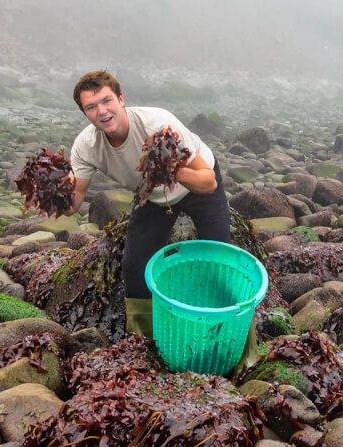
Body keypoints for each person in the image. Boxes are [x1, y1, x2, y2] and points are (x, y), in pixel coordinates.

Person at [64, 70, 257, 370]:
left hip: (196, 187)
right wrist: (52, 193)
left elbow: (209, 182)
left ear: (121, 99)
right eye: (92, 107)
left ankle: (241, 351)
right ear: (85, 112)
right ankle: (144, 346)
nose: (102, 111)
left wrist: (172, 171)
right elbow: (74, 204)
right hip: (153, 197)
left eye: (107, 101)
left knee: (223, 262)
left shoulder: (158, 124)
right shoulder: (86, 146)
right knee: (134, 266)